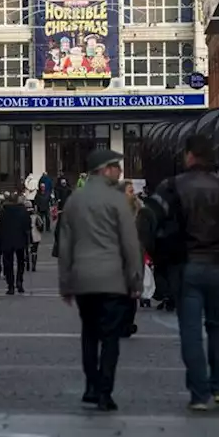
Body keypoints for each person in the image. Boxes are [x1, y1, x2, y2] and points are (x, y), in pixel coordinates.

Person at [147, 135, 219, 411]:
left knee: (190, 330)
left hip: (186, 265)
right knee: (218, 324)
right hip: (218, 265)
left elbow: (150, 220)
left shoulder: (172, 186)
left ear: (190, 155)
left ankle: (199, 392)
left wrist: (160, 260)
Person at [57, 149, 143, 412]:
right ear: (105, 169)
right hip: (112, 280)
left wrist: (65, 281)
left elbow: (65, 244)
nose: (119, 171)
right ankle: (105, 392)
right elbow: (130, 243)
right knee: (110, 338)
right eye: (116, 166)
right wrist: (135, 279)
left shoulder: (74, 200)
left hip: (83, 278)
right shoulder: (117, 201)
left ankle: (90, 387)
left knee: (89, 334)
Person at [120, 180, 144, 337]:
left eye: (132, 191)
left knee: (131, 293)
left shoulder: (139, 210)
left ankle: (128, 323)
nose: (133, 194)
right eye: (129, 191)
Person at [0, 192, 32, 294]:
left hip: (6, 240)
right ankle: (19, 281)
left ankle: (10, 285)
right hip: (20, 240)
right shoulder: (23, 210)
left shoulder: (2, 211)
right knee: (21, 262)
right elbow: (27, 226)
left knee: (8, 264)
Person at [30, 193, 46, 272]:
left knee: (28, 249)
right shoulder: (37, 216)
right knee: (34, 251)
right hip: (36, 235)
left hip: (27, 235)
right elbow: (41, 225)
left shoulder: (25, 215)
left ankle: (27, 262)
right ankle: (33, 264)